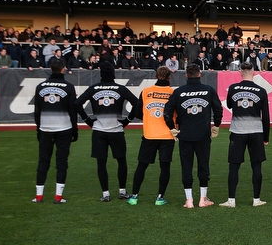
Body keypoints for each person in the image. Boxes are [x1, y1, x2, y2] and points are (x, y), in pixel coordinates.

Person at [75, 62, 139, 201]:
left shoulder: (93, 88)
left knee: (101, 163)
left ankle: (105, 194)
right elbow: (137, 103)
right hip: (116, 130)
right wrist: (128, 119)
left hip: (98, 130)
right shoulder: (120, 89)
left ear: (101, 74)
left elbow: (77, 104)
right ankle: (122, 191)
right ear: (113, 73)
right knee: (121, 161)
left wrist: (87, 120)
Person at [164, 63, 222, 208]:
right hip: (203, 134)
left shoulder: (178, 92)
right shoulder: (208, 90)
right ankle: (203, 199)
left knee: (186, 166)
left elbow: (167, 112)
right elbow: (218, 109)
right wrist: (216, 125)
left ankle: (189, 200)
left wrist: (172, 128)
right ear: (199, 74)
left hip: (185, 135)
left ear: (186, 75)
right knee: (203, 165)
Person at [220, 62, 271, 208]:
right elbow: (266, 116)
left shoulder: (233, 88)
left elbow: (229, 105)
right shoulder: (261, 90)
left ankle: (231, 200)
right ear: (254, 72)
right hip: (256, 132)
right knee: (256, 166)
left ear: (240, 72)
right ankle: (256, 199)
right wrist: (266, 137)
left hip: (237, 132)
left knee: (234, 166)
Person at [126, 66, 176, 206]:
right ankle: (160, 198)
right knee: (164, 167)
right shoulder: (173, 93)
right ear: (169, 77)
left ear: (156, 76)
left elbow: (137, 113)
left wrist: (149, 118)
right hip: (167, 135)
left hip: (149, 134)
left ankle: (134, 196)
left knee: (142, 166)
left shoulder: (146, 92)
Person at [33, 59, 77, 204]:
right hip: (64, 128)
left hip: (45, 128)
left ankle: (39, 195)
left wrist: (39, 128)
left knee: (43, 161)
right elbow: (72, 110)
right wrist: (75, 128)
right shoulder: (69, 87)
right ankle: (58, 196)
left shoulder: (40, 87)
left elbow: (37, 111)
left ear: (51, 68)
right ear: (63, 69)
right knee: (61, 162)